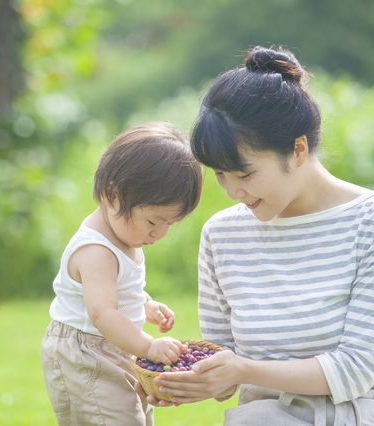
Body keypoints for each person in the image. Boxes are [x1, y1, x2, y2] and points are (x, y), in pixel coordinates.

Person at [142, 47, 374, 425]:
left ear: (297, 149)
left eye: (244, 174)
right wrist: (184, 381)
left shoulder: (367, 222)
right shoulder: (221, 234)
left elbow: (358, 368)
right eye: (220, 175)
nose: (233, 192)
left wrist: (245, 371)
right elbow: (225, 365)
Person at [41, 122, 203, 425]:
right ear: (112, 194)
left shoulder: (124, 235)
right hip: (86, 354)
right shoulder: (96, 251)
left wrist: (144, 304)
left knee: (136, 415)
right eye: (154, 221)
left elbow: (115, 291)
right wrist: (148, 346)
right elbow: (102, 312)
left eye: (170, 224)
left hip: (114, 345)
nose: (160, 233)